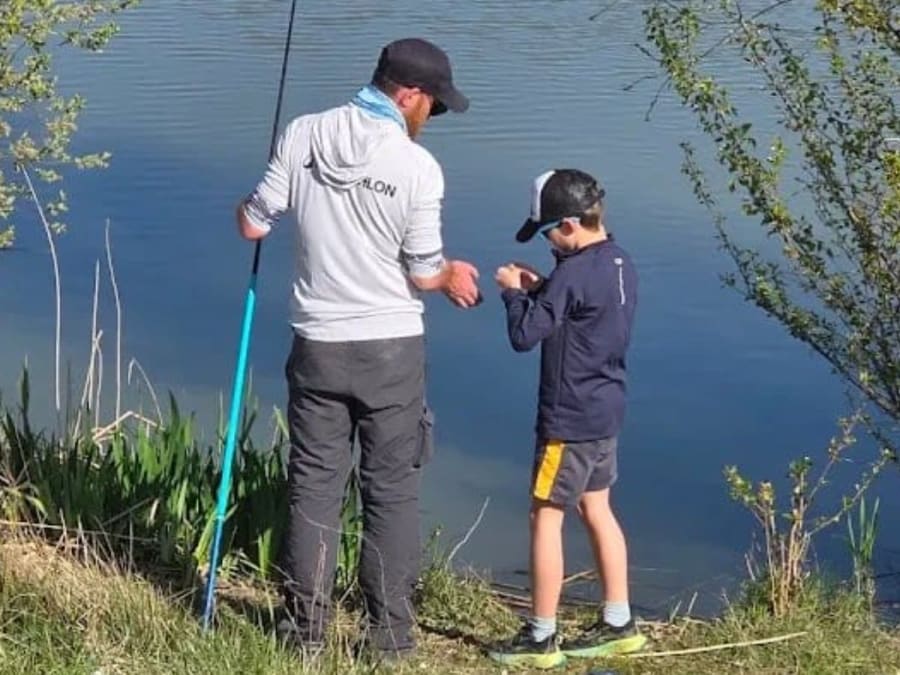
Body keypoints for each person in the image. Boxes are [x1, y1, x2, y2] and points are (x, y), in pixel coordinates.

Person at [235, 37, 480, 659]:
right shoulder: (418, 167)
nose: (431, 117)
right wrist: (452, 276)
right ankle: (389, 640)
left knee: (314, 487)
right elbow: (423, 271)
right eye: (433, 106)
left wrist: (262, 203)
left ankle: (304, 635)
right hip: (390, 349)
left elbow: (253, 224)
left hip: (317, 343)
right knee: (390, 490)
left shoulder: (303, 132)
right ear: (409, 95)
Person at [488, 169, 645, 669]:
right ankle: (619, 622)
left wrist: (514, 293)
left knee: (545, 516)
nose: (547, 242)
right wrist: (543, 287)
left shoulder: (572, 273)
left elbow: (524, 336)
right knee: (597, 507)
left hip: (567, 422)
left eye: (548, 233)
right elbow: (580, 312)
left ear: (571, 225)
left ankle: (541, 636)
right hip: (606, 411)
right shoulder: (619, 262)